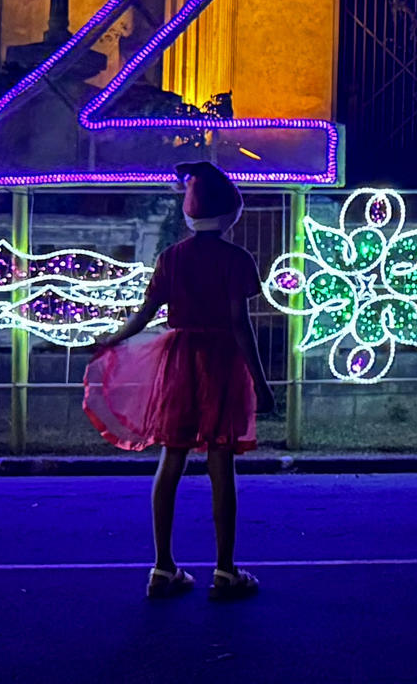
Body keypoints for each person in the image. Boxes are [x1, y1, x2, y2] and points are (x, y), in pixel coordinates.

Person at [84, 162, 274, 600]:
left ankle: (162, 567)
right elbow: (240, 325)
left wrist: (111, 340)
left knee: (172, 457)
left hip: (180, 360)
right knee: (220, 462)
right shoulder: (236, 260)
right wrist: (260, 384)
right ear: (231, 213)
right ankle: (225, 570)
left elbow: (145, 315)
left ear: (189, 212)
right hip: (221, 361)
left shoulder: (172, 257)